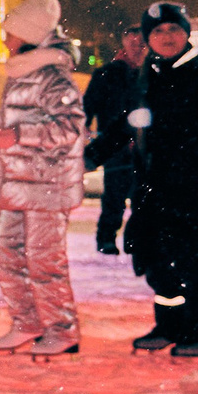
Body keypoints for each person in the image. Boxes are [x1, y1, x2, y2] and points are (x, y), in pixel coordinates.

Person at [128, 2, 198, 359]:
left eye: (173, 29)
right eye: (157, 32)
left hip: (195, 184)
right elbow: (129, 122)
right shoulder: (151, 73)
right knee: (159, 259)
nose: (166, 37)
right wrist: (91, 155)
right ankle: (171, 325)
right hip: (155, 183)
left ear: (187, 32)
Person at [0, 0, 85, 357]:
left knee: (44, 260)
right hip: (18, 185)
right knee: (6, 253)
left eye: (10, 33)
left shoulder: (53, 78)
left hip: (47, 186)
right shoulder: (20, 73)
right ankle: (27, 321)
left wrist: (20, 137)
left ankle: (62, 328)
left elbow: (70, 128)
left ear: (28, 35)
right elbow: (5, 133)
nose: (5, 40)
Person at [83, 28, 146, 256]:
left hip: (144, 146)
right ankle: (107, 238)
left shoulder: (152, 74)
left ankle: (134, 239)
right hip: (114, 145)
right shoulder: (107, 75)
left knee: (143, 196)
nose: (138, 49)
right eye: (134, 44)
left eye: (142, 44)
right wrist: (85, 128)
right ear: (125, 46)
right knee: (114, 195)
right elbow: (88, 105)